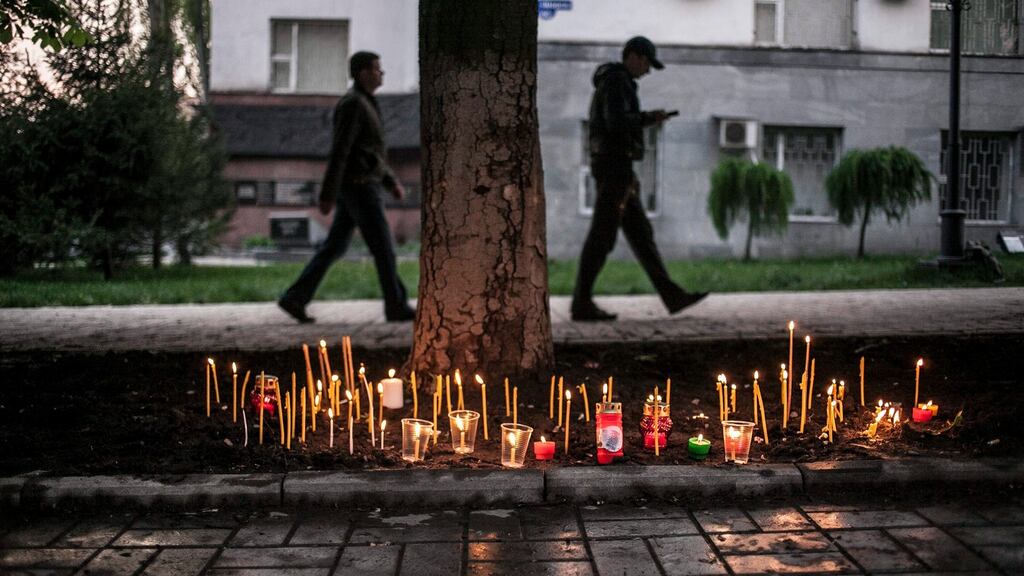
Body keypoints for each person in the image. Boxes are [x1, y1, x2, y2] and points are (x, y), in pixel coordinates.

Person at [571, 36, 708, 321]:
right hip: (615, 169)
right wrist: (646, 119)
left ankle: (673, 296)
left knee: (641, 235)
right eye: (646, 63)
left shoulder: (614, 81)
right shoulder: (617, 81)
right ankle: (581, 303)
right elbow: (617, 122)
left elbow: (616, 121)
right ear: (633, 56)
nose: (646, 71)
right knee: (602, 236)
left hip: (618, 169)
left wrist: (646, 119)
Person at [278, 51, 415, 323]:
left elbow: (371, 152)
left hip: (363, 185)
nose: (381, 73)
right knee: (384, 247)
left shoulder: (366, 103)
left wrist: (390, 182)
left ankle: (295, 298)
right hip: (359, 187)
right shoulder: (353, 104)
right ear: (363, 73)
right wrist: (328, 194)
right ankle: (395, 305)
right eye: (377, 68)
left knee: (335, 247)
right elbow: (341, 150)